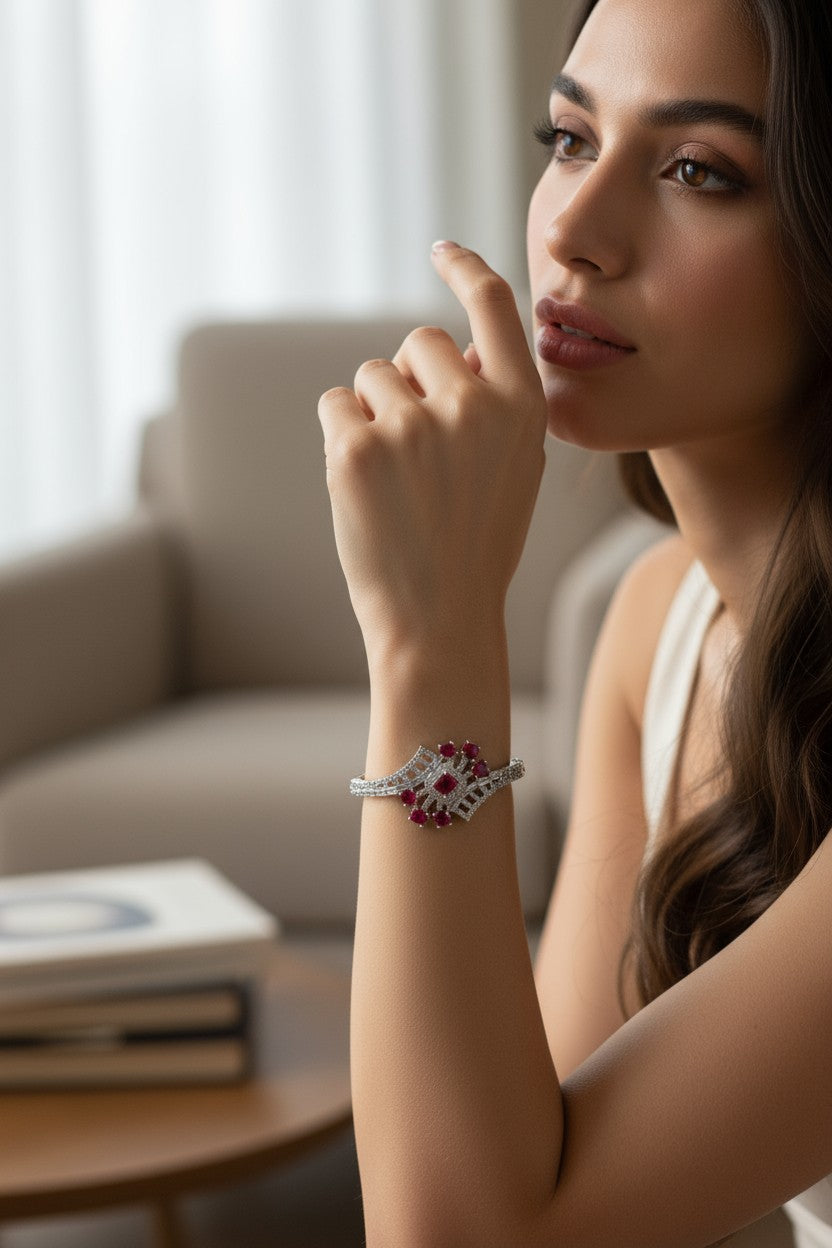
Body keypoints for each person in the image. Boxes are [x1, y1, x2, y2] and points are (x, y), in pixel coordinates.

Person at [317, 0, 832, 1243]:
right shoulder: (655, 622)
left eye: (699, 170)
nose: (573, 235)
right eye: (567, 140)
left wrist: (432, 647)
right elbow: (513, 1153)